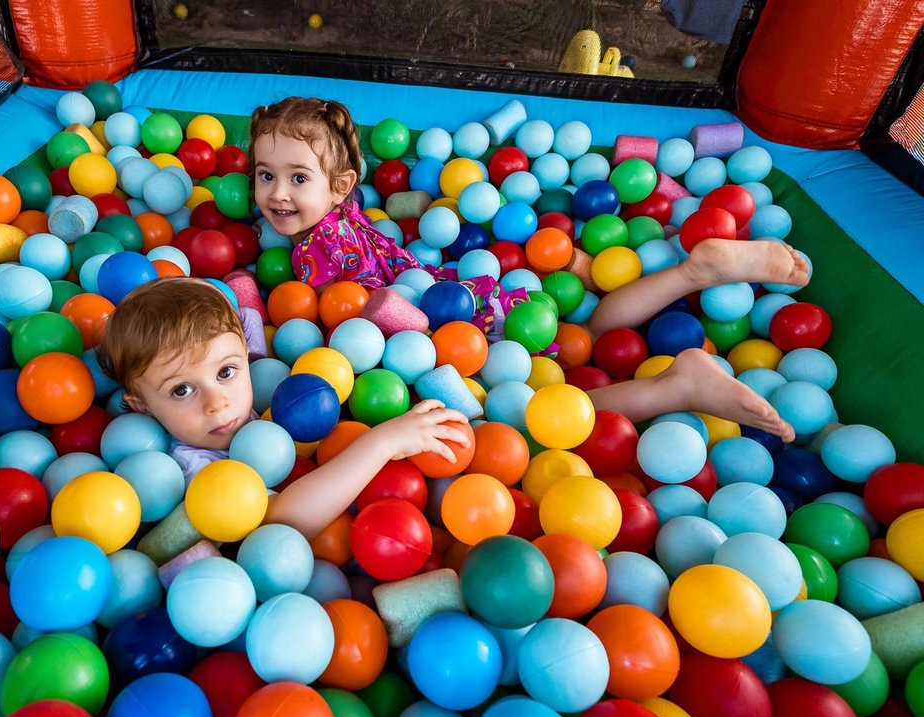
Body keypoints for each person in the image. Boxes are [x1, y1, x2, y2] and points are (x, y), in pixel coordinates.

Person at [248, 95, 811, 441]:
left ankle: (676, 389)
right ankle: (695, 271)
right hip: (468, 295)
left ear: (340, 186)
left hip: (447, 339)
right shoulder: (342, 213)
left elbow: (346, 329)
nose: (276, 195)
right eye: (264, 175)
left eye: (298, 178)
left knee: (540, 411)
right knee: (584, 336)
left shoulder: (314, 252)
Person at [97, 277, 470, 539]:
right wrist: (381, 443)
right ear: (142, 406)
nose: (217, 402)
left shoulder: (264, 389)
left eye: (226, 371)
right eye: (181, 390)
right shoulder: (192, 471)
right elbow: (282, 524)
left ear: (245, 353)